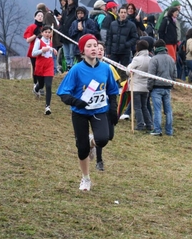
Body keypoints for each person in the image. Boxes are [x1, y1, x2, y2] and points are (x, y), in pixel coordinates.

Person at [56, 34, 119, 191]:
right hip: (80, 113)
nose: (93, 48)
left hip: (100, 110)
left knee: (103, 139)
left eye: (95, 45)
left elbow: (112, 90)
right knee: (82, 149)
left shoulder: (106, 68)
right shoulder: (77, 69)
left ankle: (93, 142)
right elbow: (63, 93)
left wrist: (113, 108)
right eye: (89, 46)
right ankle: (85, 179)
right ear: (82, 51)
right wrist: (77, 102)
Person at [93, 41, 121, 171]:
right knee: (101, 136)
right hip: (96, 107)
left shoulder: (109, 68)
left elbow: (116, 86)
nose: (99, 51)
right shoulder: (89, 68)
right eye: (97, 49)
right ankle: (99, 161)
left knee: (109, 136)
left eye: (101, 50)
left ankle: (91, 142)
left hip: (108, 105)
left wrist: (114, 109)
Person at [147, 39, 177, 136]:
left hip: (156, 88)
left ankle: (157, 129)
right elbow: (174, 74)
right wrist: (172, 84)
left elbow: (151, 75)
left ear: (155, 48)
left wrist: (149, 87)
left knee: (157, 110)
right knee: (168, 110)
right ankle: (169, 131)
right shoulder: (171, 59)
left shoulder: (154, 59)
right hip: (167, 88)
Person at [106, 6, 139, 82]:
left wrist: (127, 44)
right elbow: (109, 38)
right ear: (118, 13)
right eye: (121, 12)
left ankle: (123, 87)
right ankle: (112, 85)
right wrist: (108, 51)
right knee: (112, 70)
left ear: (127, 14)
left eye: (125, 12)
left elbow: (135, 38)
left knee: (124, 71)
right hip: (114, 51)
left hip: (125, 52)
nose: (123, 14)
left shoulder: (131, 25)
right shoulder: (112, 24)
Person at [126, 40, 153, 131]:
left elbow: (128, 71)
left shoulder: (137, 59)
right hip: (146, 87)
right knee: (144, 106)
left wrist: (129, 66)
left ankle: (140, 124)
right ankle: (149, 124)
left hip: (136, 86)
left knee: (137, 107)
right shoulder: (150, 59)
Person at [32, 25, 57, 115]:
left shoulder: (50, 41)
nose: (47, 34)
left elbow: (49, 49)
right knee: (41, 85)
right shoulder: (38, 41)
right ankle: (36, 88)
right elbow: (33, 53)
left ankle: (47, 107)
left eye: (49, 32)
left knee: (49, 86)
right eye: (45, 32)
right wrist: (42, 50)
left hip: (49, 66)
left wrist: (53, 49)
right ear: (42, 33)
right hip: (40, 66)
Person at [24, 10, 44, 85]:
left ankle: (41, 84)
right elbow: (28, 40)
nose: (40, 17)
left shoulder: (44, 28)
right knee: (35, 68)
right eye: (38, 15)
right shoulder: (31, 27)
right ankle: (35, 84)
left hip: (43, 50)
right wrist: (35, 35)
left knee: (42, 68)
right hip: (33, 50)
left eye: (42, 16)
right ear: (35, 17)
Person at [59, 0, 79, 70]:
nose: (68, 0)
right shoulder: (65, 11)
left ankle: (72, 68)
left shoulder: (76, 11)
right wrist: (60, 30)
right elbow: (62, 22)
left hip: (72, 36)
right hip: (64, 35)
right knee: (66, 54)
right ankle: (68, 68)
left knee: (71, 54)